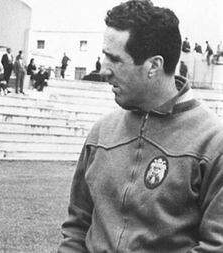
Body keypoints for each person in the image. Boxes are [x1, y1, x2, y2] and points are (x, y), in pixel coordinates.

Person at [58, 1, 223, 252]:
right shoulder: (101, 132)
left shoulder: (213, 142)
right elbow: (76, 227)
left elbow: (215, 245)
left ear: (153, 66)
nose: (103, 69)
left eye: (115, 59)